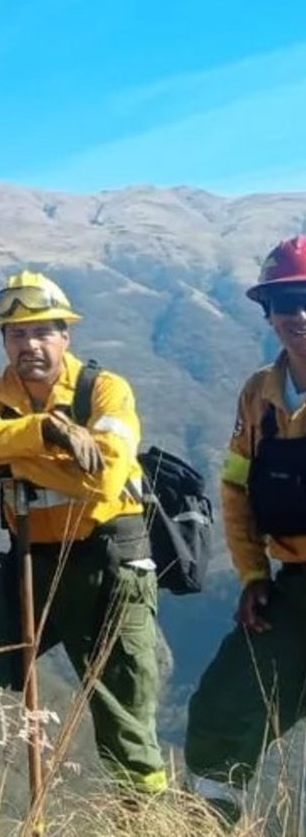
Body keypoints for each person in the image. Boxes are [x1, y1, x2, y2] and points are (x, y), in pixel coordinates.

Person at [0, 271, 166, 827]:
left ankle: (146, 824)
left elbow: (104, 477)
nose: (30, 345)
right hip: (32, 562)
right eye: (16, 334)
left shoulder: (106, 390)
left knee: (125, 724)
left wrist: (5, 461)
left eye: (43, 332)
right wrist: (47, 435)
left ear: (65, 335)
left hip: (110, 569)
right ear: (3, 342)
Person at [184, 237, 306, 826]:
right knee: (223, 708)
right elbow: (236, 487)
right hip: (295, 584)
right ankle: (209, 823)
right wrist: (254, 573)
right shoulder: (260, 393)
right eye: (286, 300)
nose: (299, 313)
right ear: (268, 312)